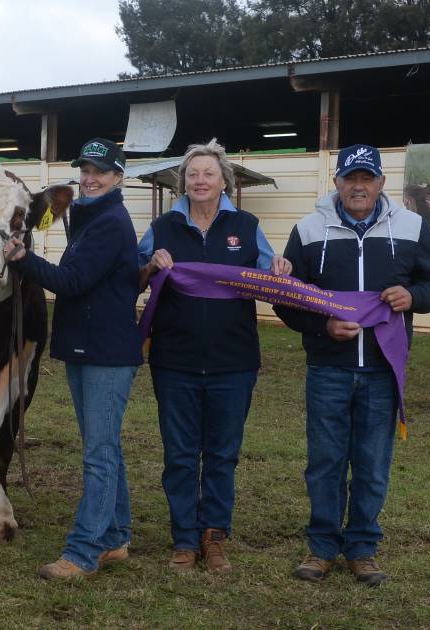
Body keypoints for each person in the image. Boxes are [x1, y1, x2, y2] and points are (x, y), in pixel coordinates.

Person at [277, 144, 430, 586]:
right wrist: (322, 327)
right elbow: (287, 297)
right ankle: (321, 548)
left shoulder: (411, 227)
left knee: (372, 463)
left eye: (366, 178)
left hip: (380, 370)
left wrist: (414, 297)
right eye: (350, 178)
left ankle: (362, 549)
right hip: (328, 369)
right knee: (325, 462)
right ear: (335, 182)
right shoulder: (310, 228)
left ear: (380, 183)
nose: (358, 186)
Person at [137, 139, 292, 574]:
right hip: (174, 361)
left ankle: (215, 538)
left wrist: (280, 268)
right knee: (180, 455)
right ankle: (184, 540)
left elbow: (267, 277)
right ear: (181, 181)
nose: (200, 180)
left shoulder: (246, 224)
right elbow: (132, 276)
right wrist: (150, 266)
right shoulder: (162, 227)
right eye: (192, 174)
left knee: (223, 455)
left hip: (234, 361)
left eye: (208, 173)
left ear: (223, 179)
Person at [4, 138, 143, 580]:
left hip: (105, 351)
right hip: (89, 347)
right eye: (85, 169)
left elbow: (73, 281)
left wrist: (24, 259)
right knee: (105, 449)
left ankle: (83, 552)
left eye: (100, 171)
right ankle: (116, 537)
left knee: (98, 454)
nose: (89, 178)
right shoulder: (88, 217)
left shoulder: (110, 223)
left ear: (118, 177)